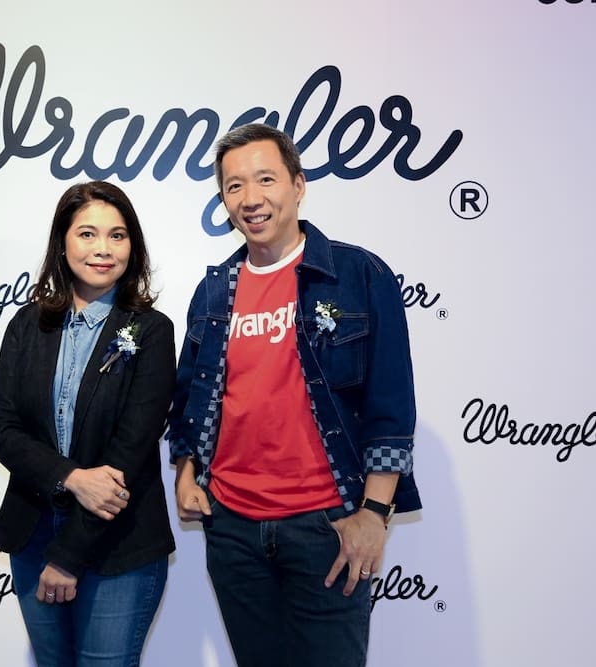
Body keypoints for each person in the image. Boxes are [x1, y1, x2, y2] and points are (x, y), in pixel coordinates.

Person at [166, 124, 420, 667]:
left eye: (265, 179)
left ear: (298, 185)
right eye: (234, 186)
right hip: (233, 529)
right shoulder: (213, 291)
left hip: (327, 527)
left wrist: (374, 513)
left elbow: (391, 403)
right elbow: (190, 397)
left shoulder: (358, 274)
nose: (250, 198)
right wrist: (187, 474)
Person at [0, 180, 176, 667]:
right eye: (87, 234)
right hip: (33, 532)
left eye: (117, 235)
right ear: (63, 242)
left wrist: (69, 555)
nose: (102, 249)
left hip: (119, 541)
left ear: (132, 247)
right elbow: (4, 429)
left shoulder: (151, 331)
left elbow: (131, 451)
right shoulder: (26, 325)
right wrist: (70, 477)